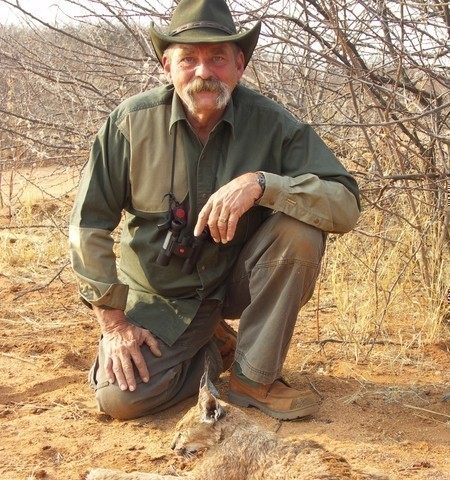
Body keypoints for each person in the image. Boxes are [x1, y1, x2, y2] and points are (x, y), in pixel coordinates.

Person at [69, 0, 360, 421]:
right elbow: (88, 225)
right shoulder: (128, 124)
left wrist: (262, 185)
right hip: (160, 297)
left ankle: (253, 376)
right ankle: (210, 347)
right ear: (167, 66)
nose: (204, 72)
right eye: (189, 59)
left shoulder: (273, 124)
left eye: (218, 58)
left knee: (300, 231)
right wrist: (114, 324)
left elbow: (344, 203)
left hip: (235, 280)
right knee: (120, 399)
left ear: (240, 65)